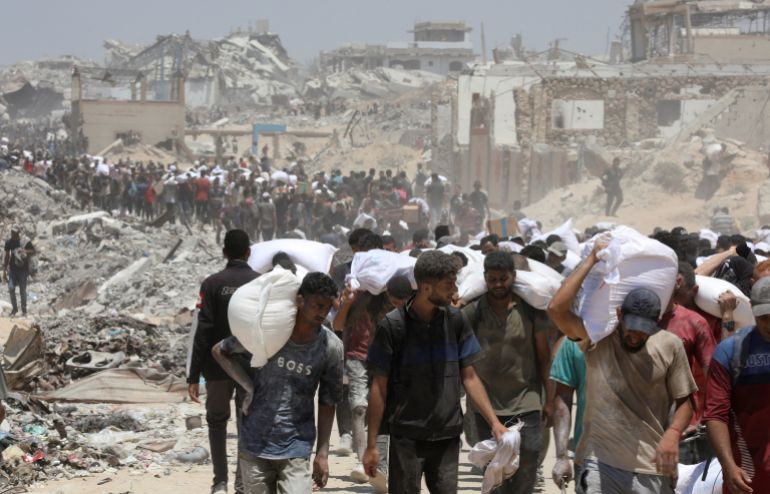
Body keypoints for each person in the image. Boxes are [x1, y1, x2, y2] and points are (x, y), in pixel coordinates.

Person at [547, 239, 697, 494]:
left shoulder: (670, 345)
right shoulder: (597, 340)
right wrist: (591, 260)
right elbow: (556, 309)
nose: (636, 336)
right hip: (598, 462)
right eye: (631, 328)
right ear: (618, 316)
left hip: (650, 466)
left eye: (644, 330)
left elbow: (685, 400)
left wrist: (672, 434)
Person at [364, 250, 508, 493]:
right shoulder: (393, 326)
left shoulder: (456, 321)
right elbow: (379, 387)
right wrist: (372, 445)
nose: (454, 290)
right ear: (426, 287)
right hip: (406, 436)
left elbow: (470, 376)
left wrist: (494, 423)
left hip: (447, 435)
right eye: (448, 284)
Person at [212, 272, 344, 493]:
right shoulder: (270, 331)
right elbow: (220, 351)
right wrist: (248, 386)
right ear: (300, 300)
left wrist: (322, 453)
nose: (323, 313)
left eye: (327, 307)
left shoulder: (331, 347)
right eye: (318, 306)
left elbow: (328, 401)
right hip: (253, 444)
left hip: (297, 446)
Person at [461, 251, 552, 493]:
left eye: (503, 278)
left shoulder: (531, 310)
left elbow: (544, 358)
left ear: (513, 276)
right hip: (486, 403)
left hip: (528, 399)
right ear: (484, 278)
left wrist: (550, 400)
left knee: (529, 460)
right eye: (492, 279)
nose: (498, 284)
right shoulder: (473, 311)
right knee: (494, 469)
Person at [187, 230, 259, 494]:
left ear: (224, 252)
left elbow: (202, 331)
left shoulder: (212, 283)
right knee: (246, 425)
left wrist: (193, 375)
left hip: (216, 368)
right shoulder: (259, 282)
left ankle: (220, 483)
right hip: (251, 368)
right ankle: (241, 484)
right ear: (248, 252)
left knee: (217, 422)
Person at [704, 276, 770, 494]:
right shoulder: (730, 352)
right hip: (746, 475)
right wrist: (728, 465)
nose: (769, 323)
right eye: (764, 317)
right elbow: (715, 414)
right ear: (752, 309)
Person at [549, 337, 586, 492]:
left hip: (641, 458)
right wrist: (562, 456)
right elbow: (563, 398)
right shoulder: (573, 342)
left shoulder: (649, 338)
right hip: (589, 454)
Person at [3, 225, 35, 317]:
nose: (12, 234)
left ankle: (24, 310)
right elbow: (7, 256)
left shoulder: (25, 241)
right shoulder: (9, 242)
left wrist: (24, 251)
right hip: (12, 270)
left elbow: (33, 251)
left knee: (22, 290)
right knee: (11, 288)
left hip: (23, 270)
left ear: (18, 233)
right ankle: (14, 309)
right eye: (12, 232)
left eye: (15, 232)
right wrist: (4, 271)